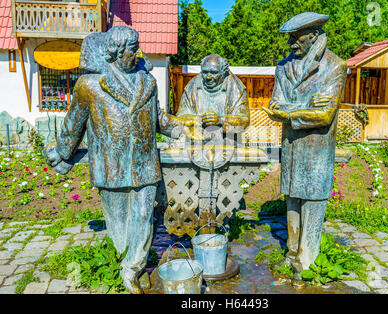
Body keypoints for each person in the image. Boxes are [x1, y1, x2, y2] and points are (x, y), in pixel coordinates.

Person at [43, 25, 183, 294]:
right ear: (116, 52)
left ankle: (133, 267)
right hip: (111, 166)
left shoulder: (148, 82)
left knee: (143, 217)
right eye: (132, 48)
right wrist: (62, 153)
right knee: (118, 223)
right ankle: (124, 263)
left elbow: (158, 119)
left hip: (144, 164)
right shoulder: (91, 84)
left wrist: (179, 128)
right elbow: (74, 125)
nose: (137, 52)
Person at [263, 12, 348, 275]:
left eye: (296, 37)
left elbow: (323, 116)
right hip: (292, 148)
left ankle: (307, 261)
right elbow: (273, 105)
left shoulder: (334, 66)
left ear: (313, 35)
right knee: (292, 201)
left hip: (317, 150)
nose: (291, 43)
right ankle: (291, 255)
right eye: (289, 38)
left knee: (312, 203)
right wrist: (305, 107)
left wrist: (288, 113)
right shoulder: (283, 67)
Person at [176, 54, 250, 136]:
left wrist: (220, 120)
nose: (208, 77)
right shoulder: (191, 87)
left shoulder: (236, 88)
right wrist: (200, 119)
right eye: (205, 72)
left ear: (223, 72)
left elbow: (244, 121)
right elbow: (180, 118)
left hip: (228, 142)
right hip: (196, 141)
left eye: (214, 73)